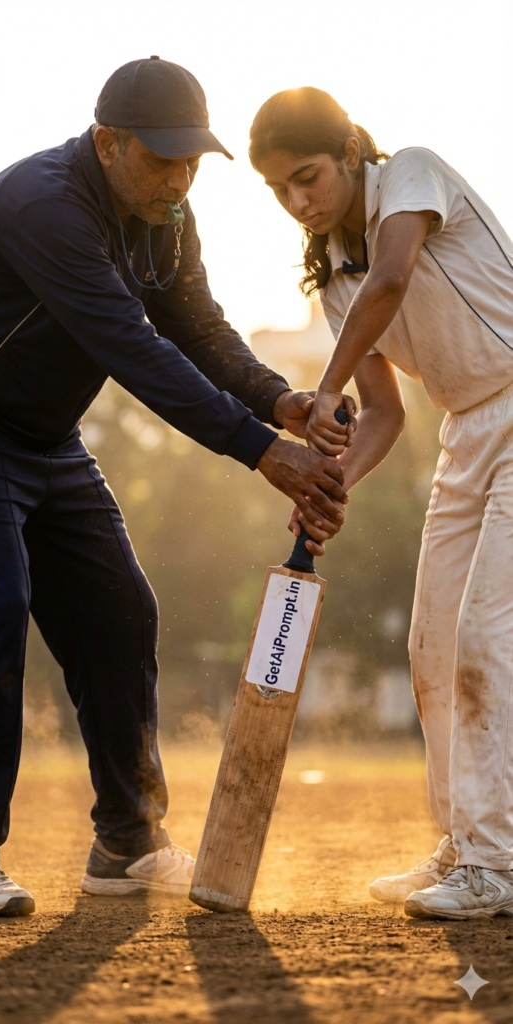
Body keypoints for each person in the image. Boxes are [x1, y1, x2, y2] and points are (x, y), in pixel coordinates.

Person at [0, 61, 350, 918]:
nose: (179, 179)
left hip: (49, 440)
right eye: (162, 160)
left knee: (121, 611)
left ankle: (127, 840)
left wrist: (280, 397)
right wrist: (260, 448)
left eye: (192, 161)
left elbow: (196, 324)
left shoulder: (167, 215)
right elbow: (132, 348)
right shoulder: (43, 204)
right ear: (107, 144)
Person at [249, 86, 513, 921]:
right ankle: (462, 847)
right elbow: (389, 413)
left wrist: (321, 391)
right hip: (466, 432)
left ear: (350, 153)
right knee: (433, 643)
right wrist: (332, 484)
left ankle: (497, 863)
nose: (299, 201)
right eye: (280, 190)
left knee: (482, 633)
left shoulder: (411, 175)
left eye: (308, 176)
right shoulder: (335, 283)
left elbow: (396, 277)